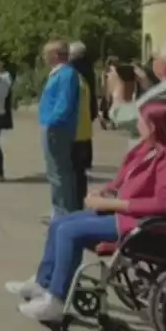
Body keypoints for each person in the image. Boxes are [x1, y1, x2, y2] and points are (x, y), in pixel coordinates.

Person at [9, 100, 166, 322]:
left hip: (152, 225)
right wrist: (106, 193)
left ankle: (56, 300)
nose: (137, 125)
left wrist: (111, 204)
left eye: (141, 121)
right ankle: (44, 283)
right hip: (135, 216)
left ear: (155, 126)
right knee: (60, 222)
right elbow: (127, 180)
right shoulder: (157, 147)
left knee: (69, 231)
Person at [39, 41, 81, 220]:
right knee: (56, 171)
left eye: (46, 54)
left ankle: (63, 213)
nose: (44, 58)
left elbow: (64, 102)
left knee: (58, 171)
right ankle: (59, 210)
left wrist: (52, 122)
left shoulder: (66, 74)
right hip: (53, 125)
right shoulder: (59, 73)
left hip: (57, 127)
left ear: (56, 55)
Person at [69, 42, 98, 213]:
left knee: (73, 168)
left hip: (75, 118)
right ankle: (88, 159)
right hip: (88, 109)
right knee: (85, 141)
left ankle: (74, 205)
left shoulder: (72, 70)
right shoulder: (89, 67)